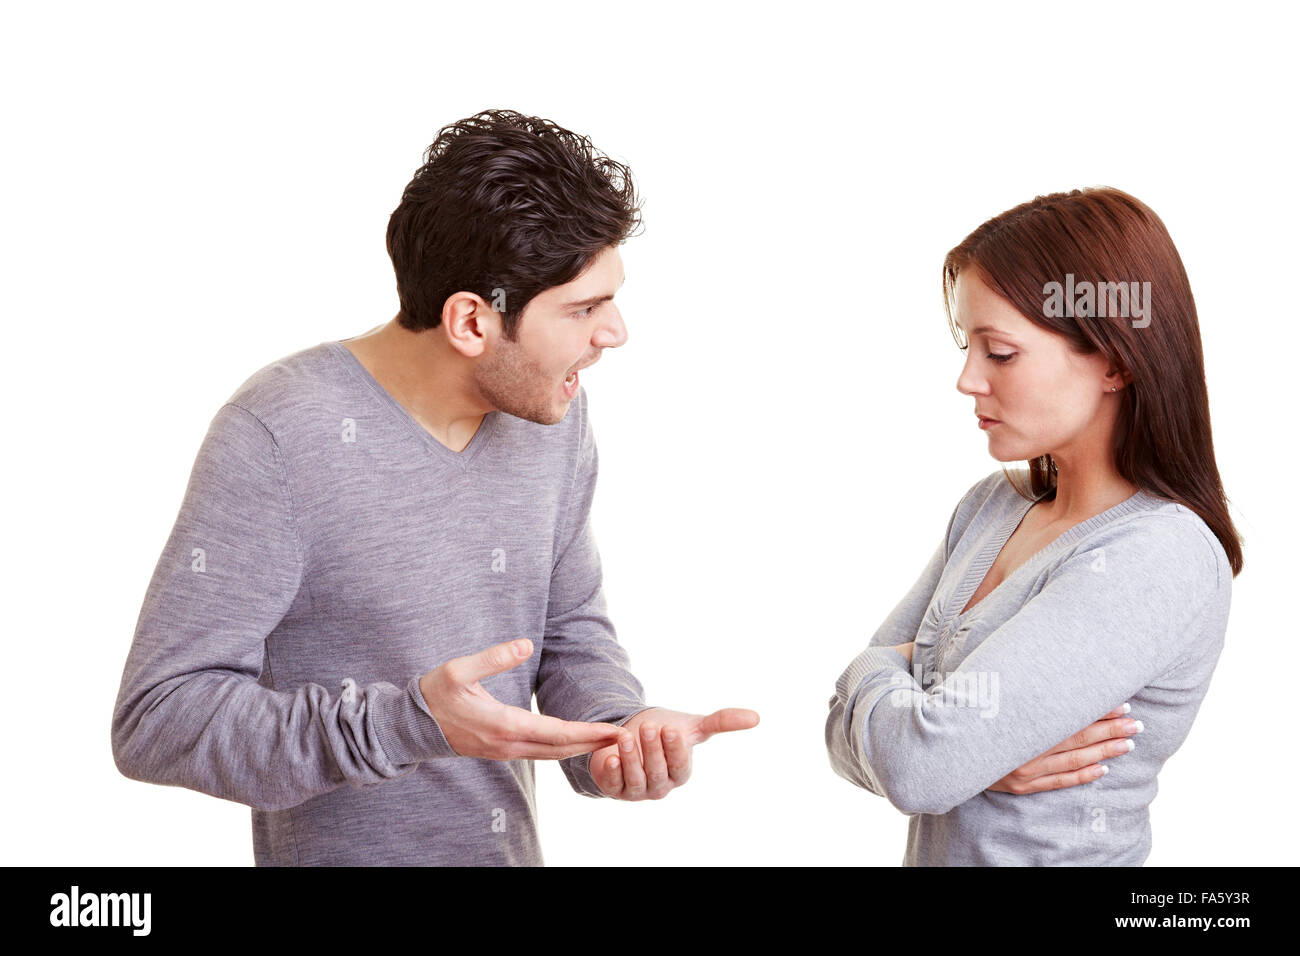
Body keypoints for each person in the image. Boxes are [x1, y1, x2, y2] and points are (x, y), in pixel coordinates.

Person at [112, 109, 758, 866]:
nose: (614, 332)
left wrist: (618, 731)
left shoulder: (554, 416)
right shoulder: (280, 434)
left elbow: (568, 634)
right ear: (470, 322)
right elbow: (158, 720)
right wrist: (405, 724)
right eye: (584, 308)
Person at [825, 187, 1241, 866]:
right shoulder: (990, 506)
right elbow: (853, 742)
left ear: (1114, 361)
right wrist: (964, 747)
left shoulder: (1157, 554)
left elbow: (915, 768)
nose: (966, 379)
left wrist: (879, 675)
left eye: (1000, 352)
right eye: (967, 346)